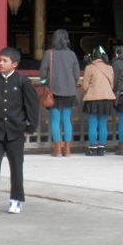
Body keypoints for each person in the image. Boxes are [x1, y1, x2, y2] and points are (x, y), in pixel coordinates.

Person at [0, 47, 38, 215]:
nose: (1, 63)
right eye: (0, 60)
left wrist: (30, 127)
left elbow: (31, 105)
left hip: (15, 131)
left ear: (14, 64)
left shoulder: (22, 82)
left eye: (5, 61)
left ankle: (16, 199)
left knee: (16, 166)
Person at [39, 29, 81, 157]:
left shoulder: (49, 53)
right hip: (69, 92)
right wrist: (70, 83)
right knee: (66, 120)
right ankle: (67, 149)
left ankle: (57, 149)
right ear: (66, 40)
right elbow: (76, 75)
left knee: (55, 120)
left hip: (54, 91)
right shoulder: (72, 54)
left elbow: (43, 73)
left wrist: (45, 84)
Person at [79, 46, 115, 156]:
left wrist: (84, 91)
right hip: (106, 98)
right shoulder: (109, 68)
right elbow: (112, 84)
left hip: (93, 98)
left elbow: (85, 86)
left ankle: (92, 148)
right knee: (103, 124)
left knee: (93, 124)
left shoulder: (90, 67)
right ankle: (102, 148)